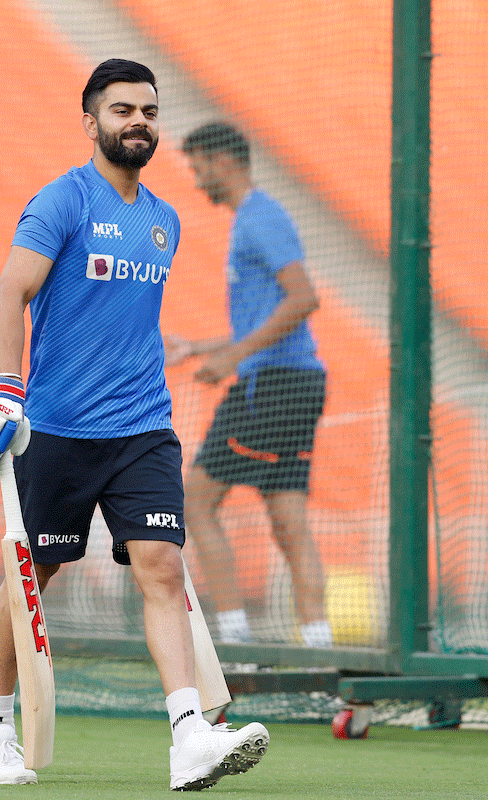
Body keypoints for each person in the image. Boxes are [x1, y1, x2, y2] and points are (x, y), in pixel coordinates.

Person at [0, 60, 269, 792]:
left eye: (149, 112)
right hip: (58, 429)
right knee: (33, 576)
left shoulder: (166, 221)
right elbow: (11, 294)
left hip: (142, 427)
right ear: (91, 121)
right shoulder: (60, 202)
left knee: (162, 565)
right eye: (123, 109)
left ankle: (190, 735)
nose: (139, 122)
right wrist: (8, 392)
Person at [166, 121, 331, 648]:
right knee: (287, 517)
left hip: (274, 384)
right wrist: (203, 346)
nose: (196, 181)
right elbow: (266, 313)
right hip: (293, 380)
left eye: (197, 168)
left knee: (195, 502)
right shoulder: (254, 220)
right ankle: (319, 644)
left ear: (221, 161)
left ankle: (236, 644)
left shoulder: (261, 218)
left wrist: (234, 356)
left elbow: (303, 298)